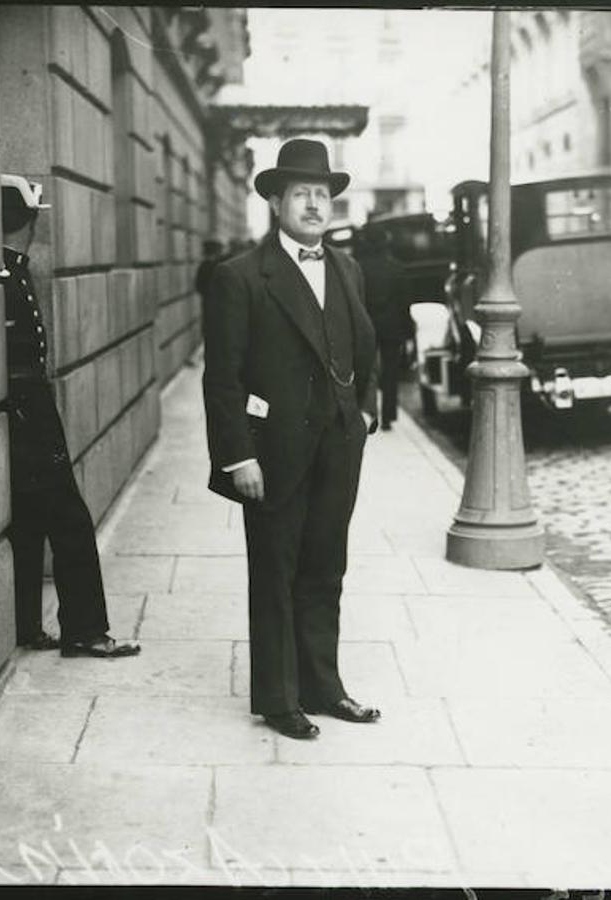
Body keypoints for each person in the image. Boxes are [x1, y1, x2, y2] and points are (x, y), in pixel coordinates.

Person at [201, 139, 381, 740]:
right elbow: (222, 378)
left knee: (326, 568)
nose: (313, 204)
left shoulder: (348, 268)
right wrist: (238, 456)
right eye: (301, 193)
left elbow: (363, 346)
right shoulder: (240, 278)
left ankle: (323, 688)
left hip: (337, 446)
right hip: (273, 453)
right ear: (276, 201)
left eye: (322, 194)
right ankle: (279, 699)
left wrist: (362, 411)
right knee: (275, 571)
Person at [0, 174, 141, 658]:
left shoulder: (11, 271)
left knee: (31, 521)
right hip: (29, 420)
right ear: (30, 220)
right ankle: (84, 631)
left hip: (25, 418)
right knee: (71, 522)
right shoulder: (6, 277)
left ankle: (26, 628)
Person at [354, 228, 409, 430]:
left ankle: (369, 413)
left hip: (366, 325)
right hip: (392, 326)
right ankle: (388, 417)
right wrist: (407, 329)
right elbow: (404, 302)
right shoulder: (397, 268)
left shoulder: (359, 268)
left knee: (367, 371)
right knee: (391, 371)